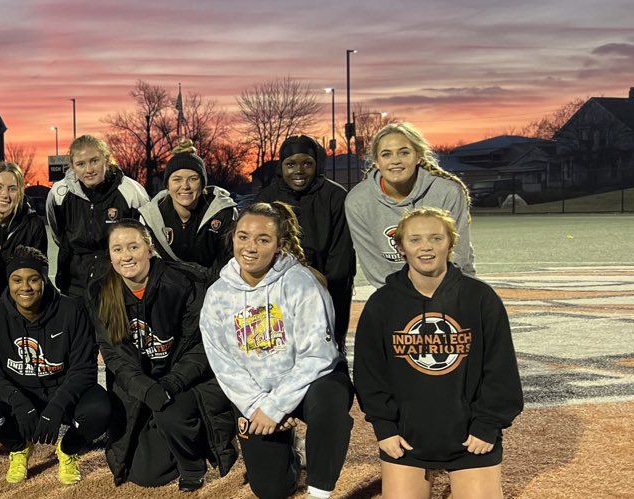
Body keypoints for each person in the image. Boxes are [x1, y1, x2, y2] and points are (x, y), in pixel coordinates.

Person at [354, 207, 523, 499]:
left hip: (472, 438)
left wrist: (487, 425)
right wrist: (385, 427)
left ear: (451, 243)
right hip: (408, 439)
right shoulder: (382, 303)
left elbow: (501, 369)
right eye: (415, 239)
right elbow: (370, 373)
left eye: (436, 238)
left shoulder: (480, 298)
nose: (426, 247)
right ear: (401, 247)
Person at [199, 202, 354, 499]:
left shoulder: (301, 283)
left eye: (263, 239)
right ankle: (291, 457)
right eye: (243, 236)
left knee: (329, 404)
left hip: (311, 383)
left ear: (279, 245)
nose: (250, 247)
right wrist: (259, 406)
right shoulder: (218, 294)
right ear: (232, 238)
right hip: (258, 396)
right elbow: (223, 364)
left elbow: (318, 356)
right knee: (271, 489)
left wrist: (277, 406)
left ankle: (320, 491)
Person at [94, 220, 238, 490]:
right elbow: (116, 357)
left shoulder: (184, 282)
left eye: (133, 246)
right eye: (118, 249)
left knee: (170, 412)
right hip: (142, 387)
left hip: (184, 380)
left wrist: (170, 385)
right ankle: (171, 431)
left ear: (149, 250)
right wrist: (146, 389)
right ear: (110, 257)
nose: (126, 256)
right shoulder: (102, 293)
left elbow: (201, 346)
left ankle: (192, 462)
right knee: (147, 474)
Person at [0, 246, 109, 486]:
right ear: (8, 282)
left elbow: (84, 369)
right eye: (17, 280)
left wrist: (57, 407)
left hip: (60, 391)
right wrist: (17, 401)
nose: (25, 287)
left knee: (101, 409)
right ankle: (19, 447)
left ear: (44, 279)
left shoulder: (72, 310)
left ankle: (68, 449)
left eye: (33, 279)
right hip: (18, 393)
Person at [254, 136, 356, 349]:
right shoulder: (267, 198)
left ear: (316, 165)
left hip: (328, 289)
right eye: (290, 164)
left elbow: (341, 255)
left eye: (307, 164)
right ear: (281, 167)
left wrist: (325, 290)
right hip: (278, 292)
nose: (298, 171)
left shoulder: (334, 196)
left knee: (328, 350)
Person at [346, 122, 476, 288]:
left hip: (452, 283)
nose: (395, 161)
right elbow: (374, 266)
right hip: (395, 291)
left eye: (404, 153)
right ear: (376, 162)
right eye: (386, 154)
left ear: (418, 156)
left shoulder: (447, 192)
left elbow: (458, 254)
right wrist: (406, 298)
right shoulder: (358, 201)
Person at [46, 134, 149, 300]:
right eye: (81, 164)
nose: (89, 170)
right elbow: (58, 233)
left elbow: (146, 237)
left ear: (106, 159)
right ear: (72, 166)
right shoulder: (59, 193)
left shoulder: (130, 191)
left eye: (94, 161)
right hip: (73, 283)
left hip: (117, 281)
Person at [138, 140, 239, 271]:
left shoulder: (223, 213)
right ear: (167, 185)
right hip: (169, 287)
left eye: (193, 179)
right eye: (177, 179)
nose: (185, 186)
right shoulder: (150, 217)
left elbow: (229, 264)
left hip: (213, 287)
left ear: (203, 184)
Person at [0, 161, 51, 293]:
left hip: (18, 304)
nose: (4, 195)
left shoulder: (33, 225)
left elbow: (39, 275)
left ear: (20, 193)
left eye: (12, 189)